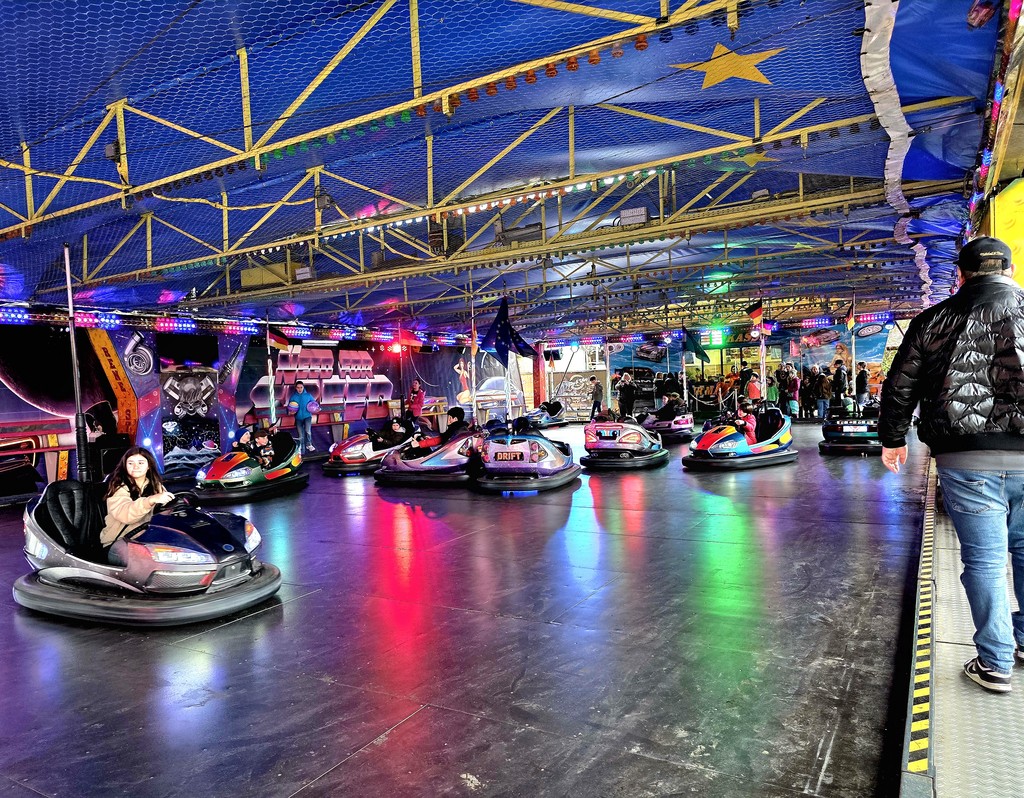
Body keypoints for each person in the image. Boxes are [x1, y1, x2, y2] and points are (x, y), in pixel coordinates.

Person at [880, 236, 1024, 693]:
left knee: (984, 560)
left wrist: (893, 438)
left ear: (960, 275)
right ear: (1010, 270)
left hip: (965, 455)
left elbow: (901, 384)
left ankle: (996, 662)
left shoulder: (933, 319)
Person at [100, 447, 174, 557]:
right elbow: (125, 514)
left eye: (141, 463)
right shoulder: (119, 487)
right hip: (118, 542)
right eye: (130, 463)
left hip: (146, 539)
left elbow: (166, 509)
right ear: (125, 466)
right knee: (150, 559)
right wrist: (149, 500)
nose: (136, 467)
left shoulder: (155, 486)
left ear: (148, 466)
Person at [287, 380, 318, 452]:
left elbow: (314, 404)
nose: (299, 389)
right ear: (296, 388)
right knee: (300, 434)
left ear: (303, 387)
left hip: (307, 416)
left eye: (301, 387)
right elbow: (289, 407)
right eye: (298, 387)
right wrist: (290, 412)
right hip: (298, 418)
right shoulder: (293, 397)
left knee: (308, 431)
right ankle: (301, 447)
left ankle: (309, 444)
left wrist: (317, 408)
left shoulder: (308, 395)